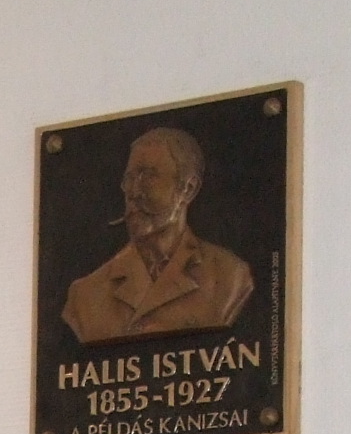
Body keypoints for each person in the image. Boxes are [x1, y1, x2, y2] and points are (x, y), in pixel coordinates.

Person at [60, 126, 254, 345]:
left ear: (188, 189)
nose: (134, 192)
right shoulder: (85, 296)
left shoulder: (230, 277)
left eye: (150, 176)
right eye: (130, 178)